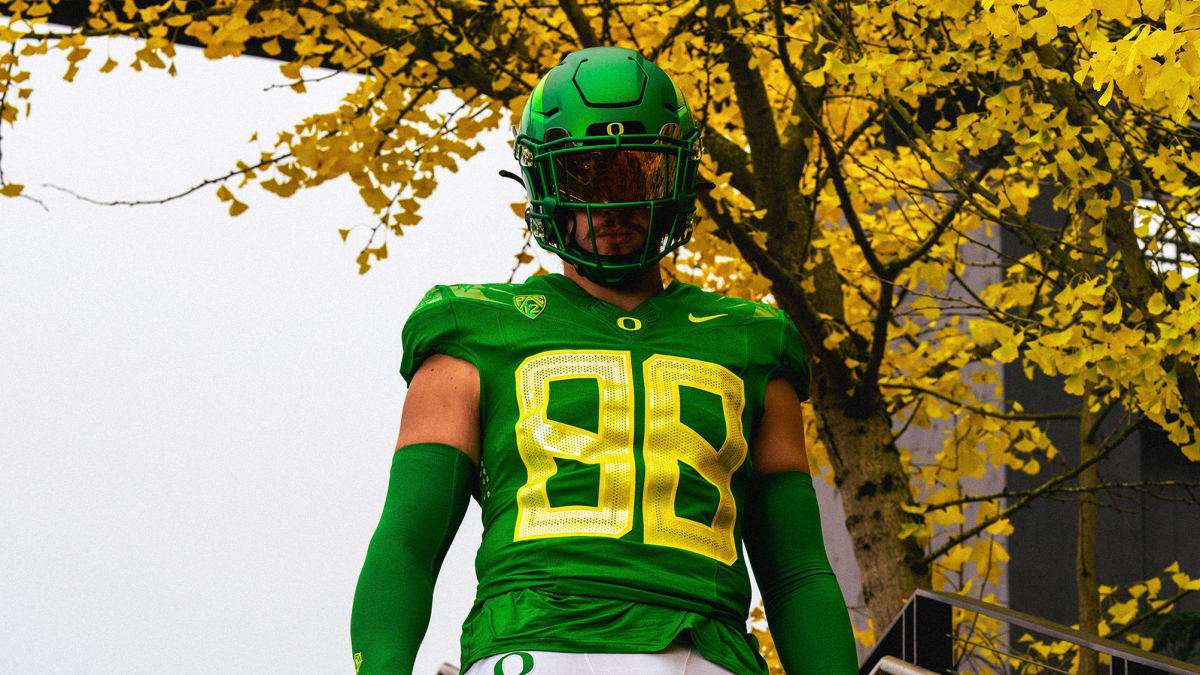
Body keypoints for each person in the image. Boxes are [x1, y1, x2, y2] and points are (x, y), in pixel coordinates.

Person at [350, 46, 858, 675]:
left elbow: (797, 569)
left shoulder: (751, 338)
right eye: (585, 178)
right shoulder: (471, 327)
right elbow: (408, 541)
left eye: (636, 175)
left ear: (676, 180)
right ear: (546, 188)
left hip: (707, 650)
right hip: (535, 639)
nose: (611, 207)